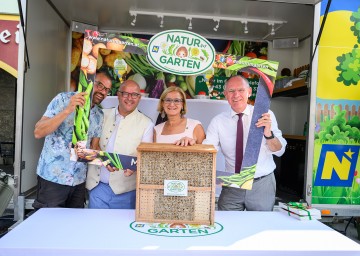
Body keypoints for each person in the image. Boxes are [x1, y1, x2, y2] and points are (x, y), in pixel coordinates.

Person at [203, 75, 287, 211]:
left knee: (260, 227)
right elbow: (207, 151)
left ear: (249, 92)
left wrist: (268, 134)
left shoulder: (265, 115)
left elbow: (279, 151)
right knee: (228, 225)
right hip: (232, 184)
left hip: (261, 183)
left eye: (241, 90)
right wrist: (191, 141)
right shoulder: (218, 121)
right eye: (231, 91)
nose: (236, 95)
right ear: (225, 94)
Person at [33, 69, 113, 209]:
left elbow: (94, 147)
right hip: (53, 179)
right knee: (48, 226)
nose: (103, 91)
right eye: (99, 85)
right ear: (90, 82)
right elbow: (38, 132)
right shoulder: (63, 99)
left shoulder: (99, 115)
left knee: (73, 227)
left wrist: (108, 161)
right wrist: (68, 110)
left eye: (107, 89)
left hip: (78, 182)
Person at [86, 80, 154, 209]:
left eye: (134, 95)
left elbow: (146, 158)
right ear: (118, 95)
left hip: (127, 192)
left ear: (139, 98)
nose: (129, 98)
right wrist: (101, 158)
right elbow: (88, 146)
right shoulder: (101, 115)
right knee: (95, 227)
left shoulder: (147, 124)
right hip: (97, 188)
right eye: (125, 93)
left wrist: (136, 166)